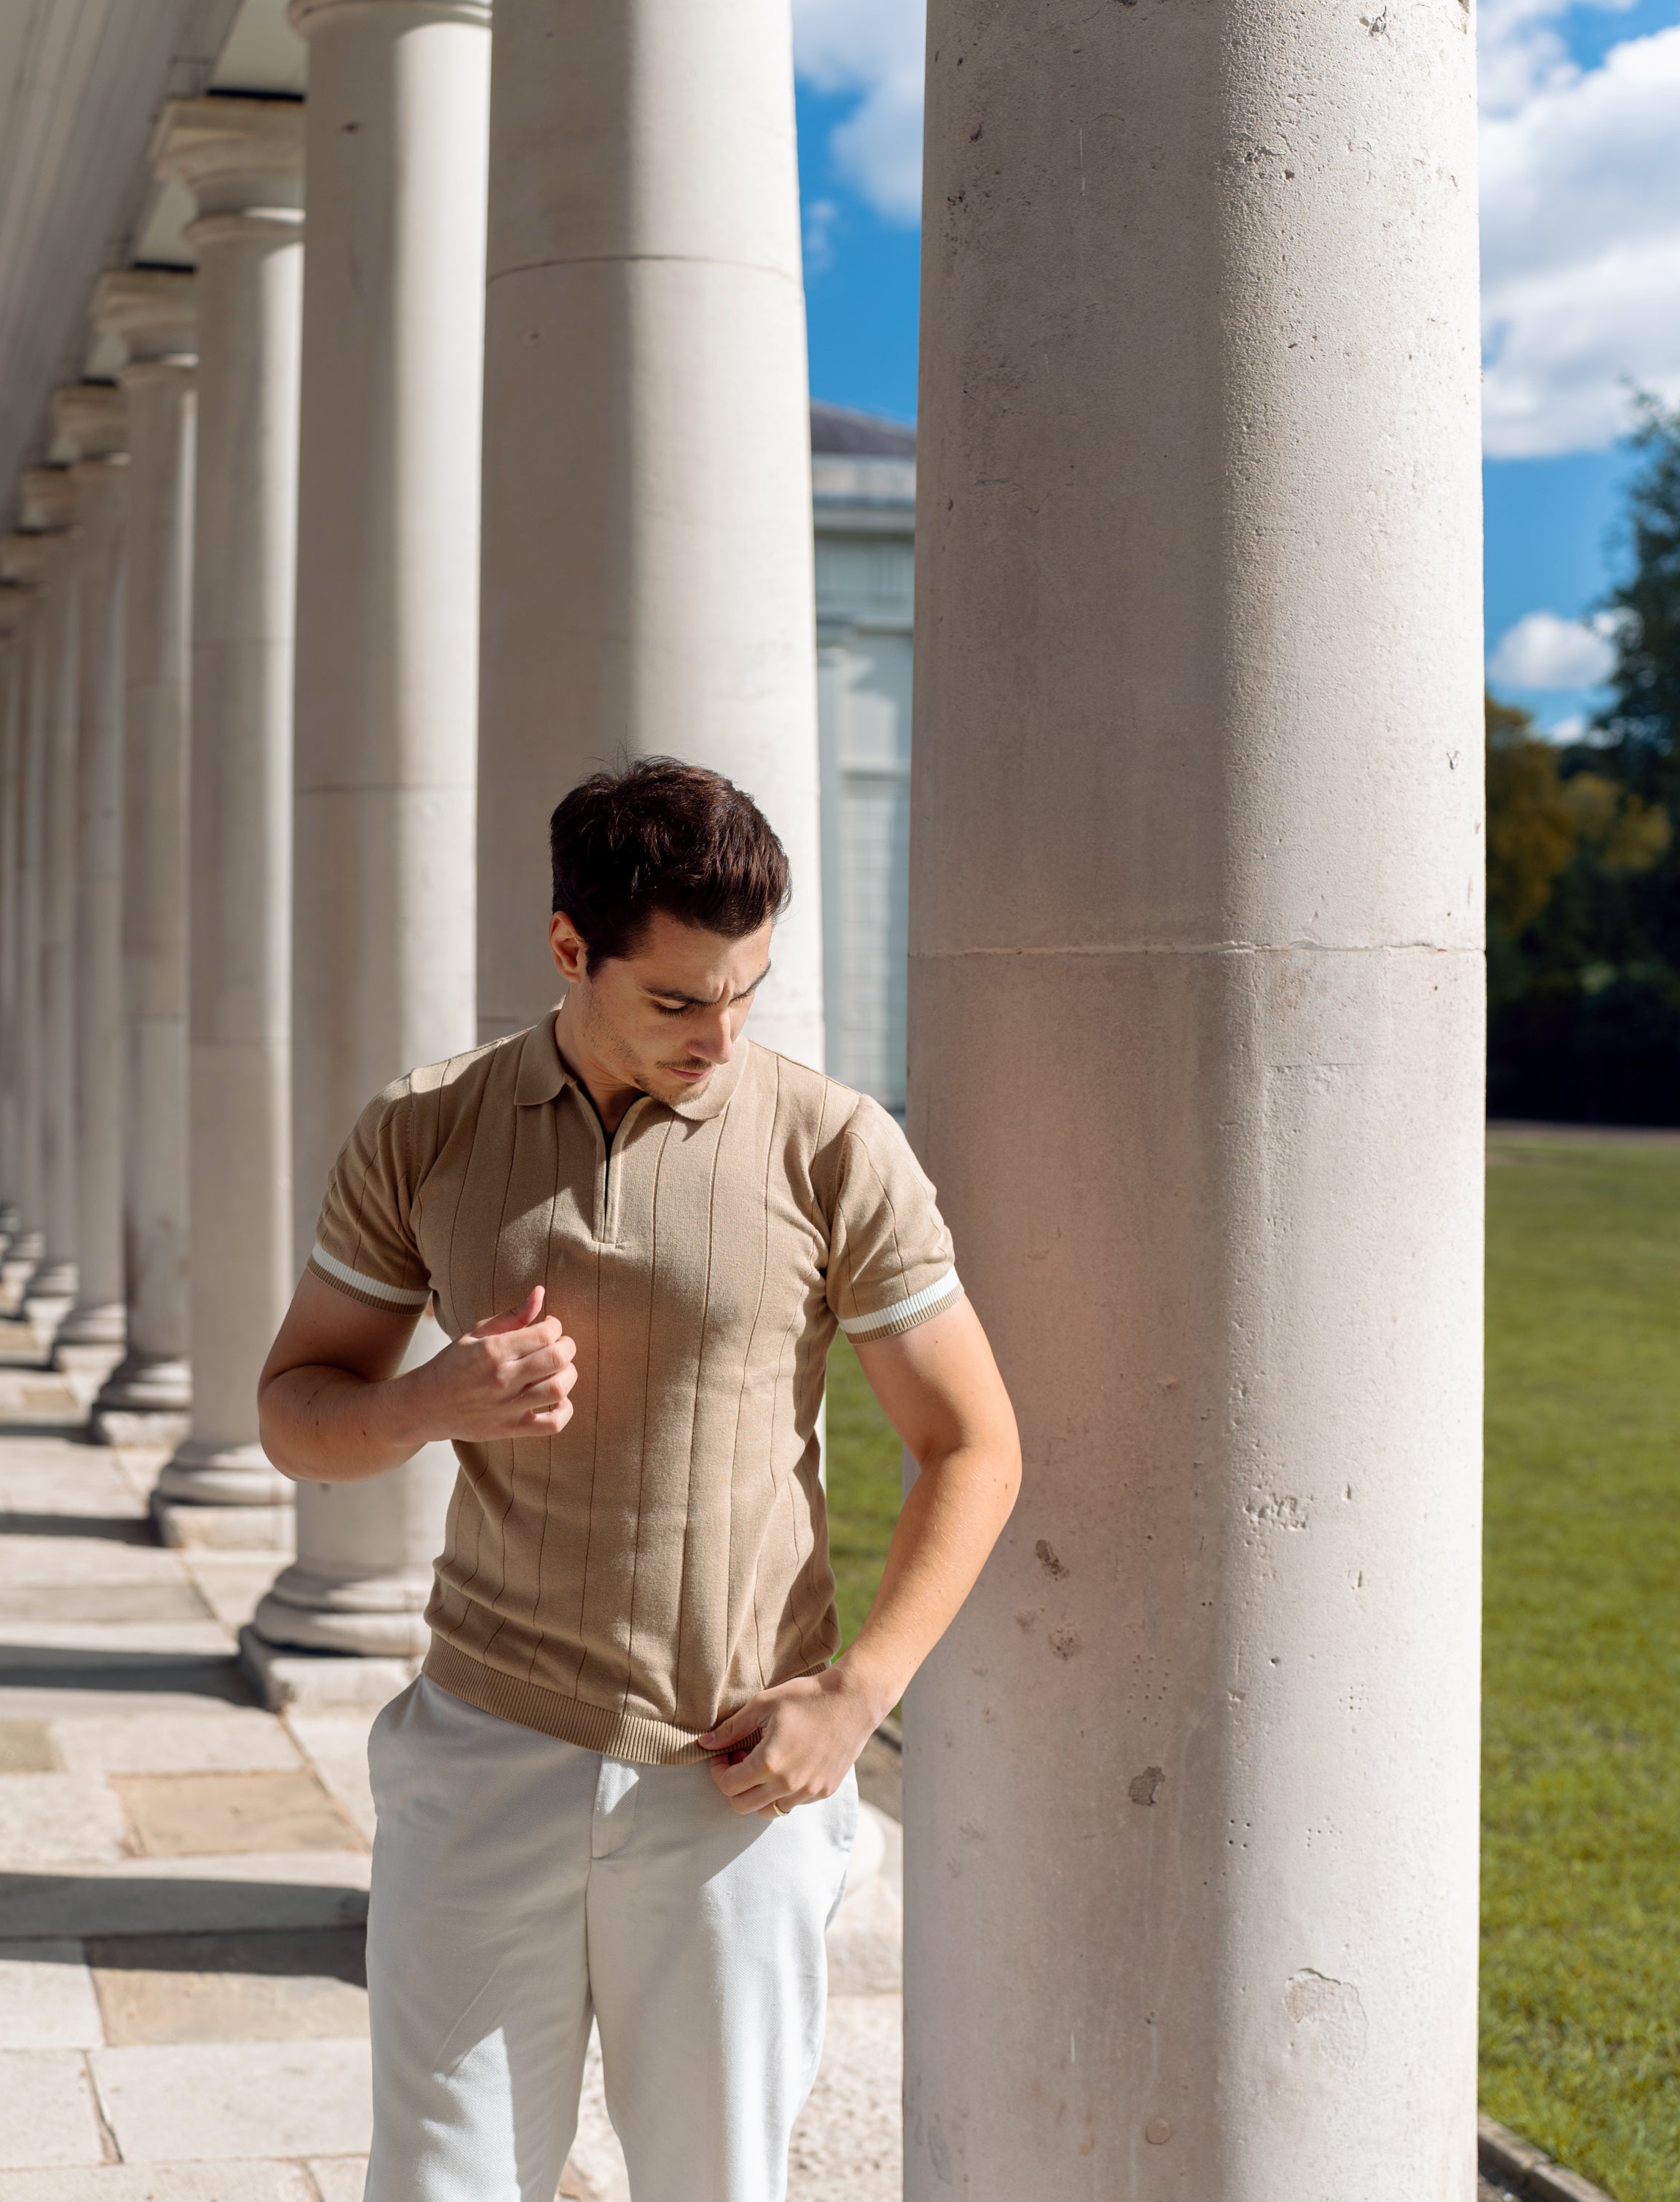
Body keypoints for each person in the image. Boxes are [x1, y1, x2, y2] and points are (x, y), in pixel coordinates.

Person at [258, 757, 1021, 2202]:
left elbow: (973, 1444)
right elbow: (296, 1412)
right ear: (569, 948)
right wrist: (431, 1400)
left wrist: (857, 1697)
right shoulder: (426, 1129)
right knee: (437, 2185)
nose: (719, 1036)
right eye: (677, 1000)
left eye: (747, 992)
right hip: (484, 1751)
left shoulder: (833, 1145)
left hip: (730, 1787)